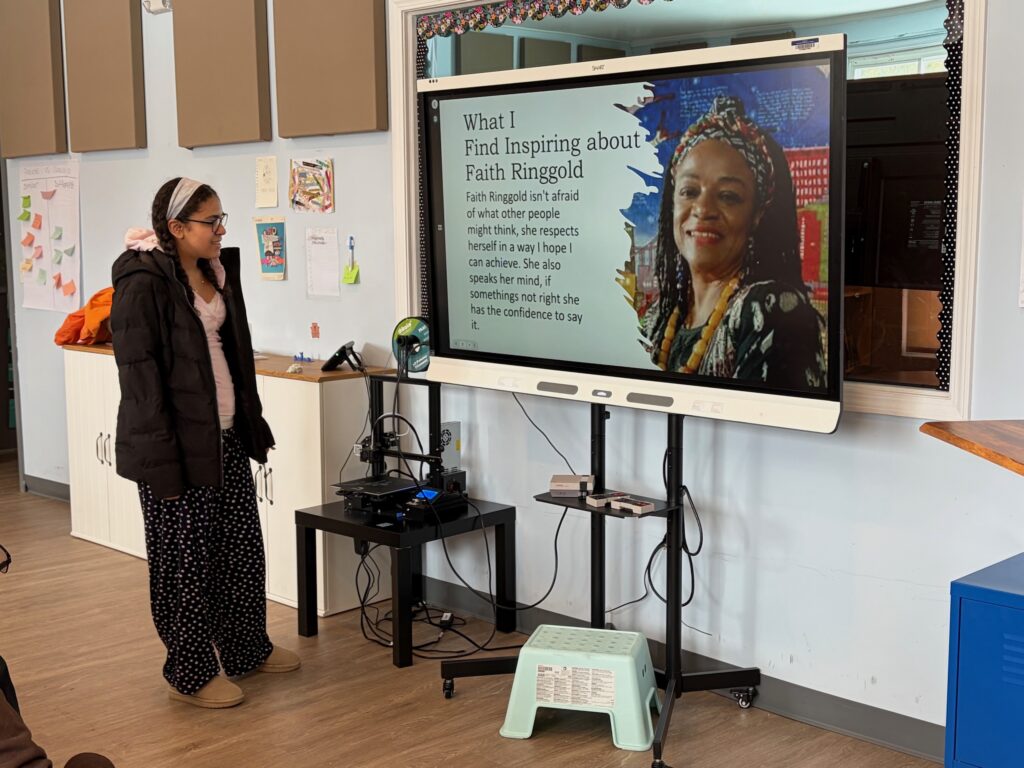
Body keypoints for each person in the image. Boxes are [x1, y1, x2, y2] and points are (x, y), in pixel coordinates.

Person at [109, 178, 300, 709]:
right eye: (210, 221)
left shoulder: (216, 270)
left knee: (241, 551)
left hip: (226, 436)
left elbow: (232, 353)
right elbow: (140, 382)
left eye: (222, 219)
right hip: (176, 449)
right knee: (185, 566)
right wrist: (161, 465)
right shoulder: (142, 283)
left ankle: (245, 648)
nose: (221, 230)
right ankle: (190, 672)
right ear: (176, 227)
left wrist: (250, 424)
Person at [640, 95, 826, 389]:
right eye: (689, 192)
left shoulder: (771, 310)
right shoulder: (659, 319)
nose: (703, 209)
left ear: (757, 214)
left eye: (728, 196)